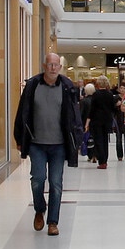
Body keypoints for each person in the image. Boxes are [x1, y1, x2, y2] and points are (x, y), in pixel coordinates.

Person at [15, 51, 81, 233]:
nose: (53, 68)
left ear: (60, 67)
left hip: (59, 145)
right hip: (36, 143)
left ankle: (53, 222)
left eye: (56, 65)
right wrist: (19, 137)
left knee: (55, 183)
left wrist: (77, 139)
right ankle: (39, 210)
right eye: (50, 64)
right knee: (38, 179)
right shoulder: (33, 85)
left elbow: (75, 116)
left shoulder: (67, 86)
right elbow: (23, 112)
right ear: (44, 66)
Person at [85, 75, 120, 170]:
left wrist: (87, 122)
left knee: (98, 140)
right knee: (105, 140)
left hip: (97, 120)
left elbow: (92, 109)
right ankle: (105, 160)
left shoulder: (96, 94)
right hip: (107, 120)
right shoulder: (109, 94)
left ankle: (102, 161)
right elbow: (113, 108)